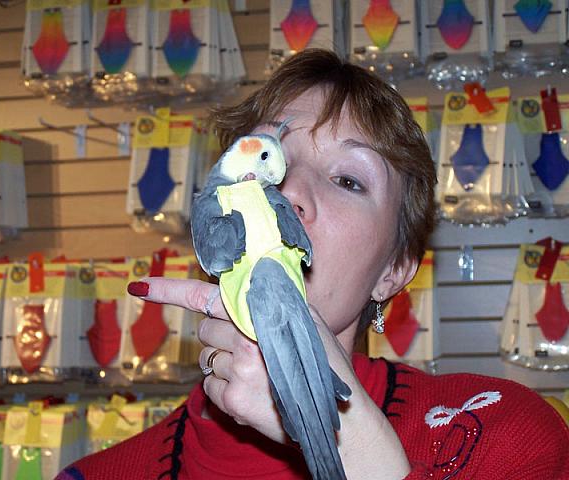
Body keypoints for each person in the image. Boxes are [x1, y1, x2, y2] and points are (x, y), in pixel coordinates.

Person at [57, 49, 569, 480]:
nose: (289, 192)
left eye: (348, 180)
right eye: (267, 159)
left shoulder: (504, 439)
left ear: (394, 270)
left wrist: (348, 442)